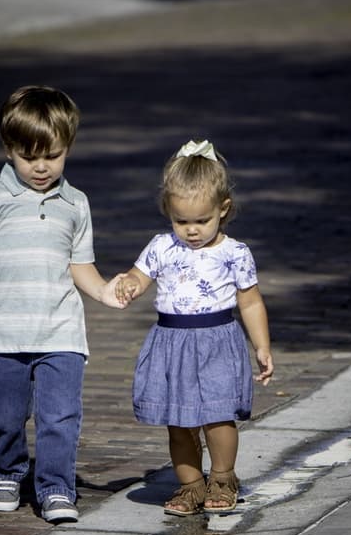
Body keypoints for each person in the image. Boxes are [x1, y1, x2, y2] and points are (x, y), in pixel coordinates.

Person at [0, 85, 125, 524]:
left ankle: (55, 487)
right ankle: (7, 471)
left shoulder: (76, 203)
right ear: (9, 149)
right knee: (4, 414)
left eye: (53, 155)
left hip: (61, 333)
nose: (42, 167)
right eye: (30, 157)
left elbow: (80, 265)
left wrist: (104, 291)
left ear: (67, 148)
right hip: (7, 333)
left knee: (59, 417)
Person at [116, 139, 273, 516]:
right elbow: (139, 275)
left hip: (217, 340)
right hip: (172, 342)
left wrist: (262, 346)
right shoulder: (161, 247)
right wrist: (130, 283)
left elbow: (250, 301)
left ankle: (222, 477)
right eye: (180, 221)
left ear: (223, 209)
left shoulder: (234, 252)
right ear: (168, 212)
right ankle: (189, 485)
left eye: (201, 220)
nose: (191, 230)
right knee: (179, 422)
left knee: (218, 416)